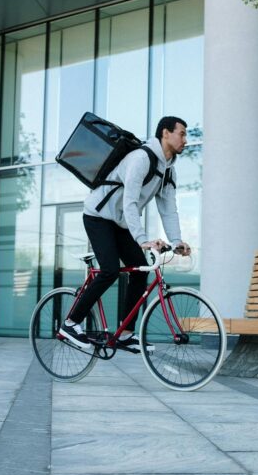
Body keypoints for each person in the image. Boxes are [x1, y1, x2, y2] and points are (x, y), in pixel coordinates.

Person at [60, 116, 192, 350]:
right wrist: (142, 239)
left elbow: (169, 210)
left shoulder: (169, 171)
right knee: (110, 269)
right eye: (181, 133)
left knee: (140, 272)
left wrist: (176, 241)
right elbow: (130, 202)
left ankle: (125, 334)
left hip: (120, 223)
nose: (185, 139)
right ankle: (70, 323)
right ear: (165, 133)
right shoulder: (141, 158)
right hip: (98, 216)